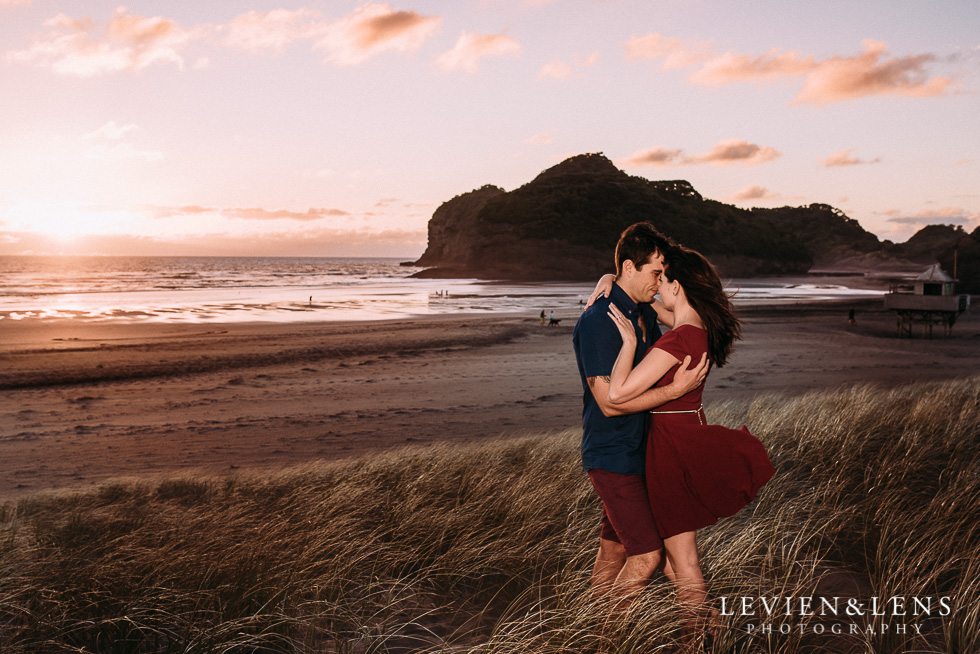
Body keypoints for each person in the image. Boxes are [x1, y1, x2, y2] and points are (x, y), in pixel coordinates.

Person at [605, 244, 775, 647]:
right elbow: (652, 305)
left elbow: (617, 394)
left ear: (677, 285)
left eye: (661, 279)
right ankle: (707, 623)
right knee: (674, 560)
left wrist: (629, 347)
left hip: (671, 451)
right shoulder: (695, 327)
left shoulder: (679, 340)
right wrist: (607, 280)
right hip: (684, 436)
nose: (655, 285)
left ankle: (693, 641)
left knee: (683, 562)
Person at [572, 223, 709, 611]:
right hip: (613, 454)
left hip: (642, 453)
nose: (660, 281)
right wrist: (674, 391)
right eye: (655, 273)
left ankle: (593, 628)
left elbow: (684, 310)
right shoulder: (600, 320)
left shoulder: (643, 308)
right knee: (647, 557)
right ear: (631, 267)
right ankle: (611, 634)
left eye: (664, 275)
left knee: (613, 552)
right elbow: (609, 404)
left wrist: (609, 277)